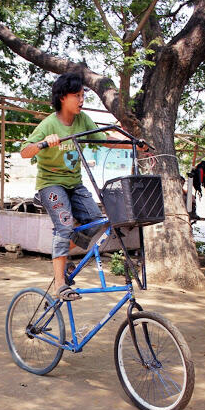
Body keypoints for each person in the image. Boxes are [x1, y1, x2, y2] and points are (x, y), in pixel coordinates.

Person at [21, 72, 125, 301]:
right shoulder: (49, 124)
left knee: (96, 220)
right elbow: (24, 151)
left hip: (74, 184)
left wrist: (133, 146)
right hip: (50, 185)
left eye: (82, 95)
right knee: (65, 225)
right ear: (62, 98)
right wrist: (43, 143)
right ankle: (60, 284)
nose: (81, 100)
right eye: (76, 95)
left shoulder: (82, 120)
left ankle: (62, 258)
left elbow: (103, 140)